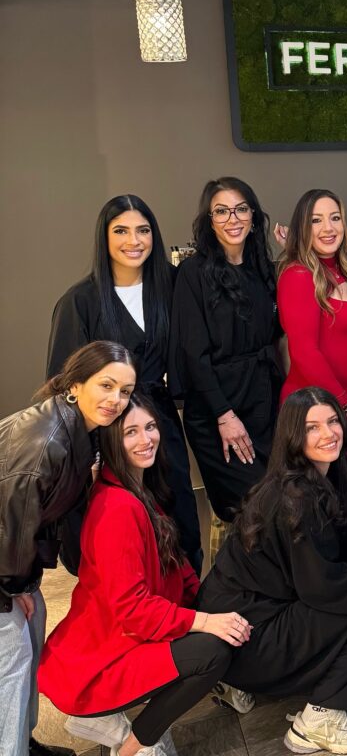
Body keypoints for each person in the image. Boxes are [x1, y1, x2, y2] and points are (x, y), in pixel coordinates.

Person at [198, 388, 347, 755]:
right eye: (312, 427)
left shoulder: (313, 480)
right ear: (293, 436)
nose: (328, 433)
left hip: (244, 623)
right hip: (244, 638)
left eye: (332, 421)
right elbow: (322, 587)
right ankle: (319, 719)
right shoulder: (296, 498)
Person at [39, 394, 248, 756]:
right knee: (211, 653)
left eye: (150, 427)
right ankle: (136, 746)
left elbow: (174, 562)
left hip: (119, 638)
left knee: (217, 628)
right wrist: (204, 620)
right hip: (100, 662)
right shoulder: (116, 508)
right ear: (110, 441)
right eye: (130, 432)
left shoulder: (137, 486)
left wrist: (208, 604)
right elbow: (132, 609)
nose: (146, 439)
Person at [47, 195, 202, 573]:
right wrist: (86, 453)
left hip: (159, 422)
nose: (133, 241)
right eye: (121, 231)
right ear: (104, 237)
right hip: (106, 431)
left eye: (143, 230)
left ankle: (184, 599)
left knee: (179, 520)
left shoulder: (171, 286)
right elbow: (62, 384)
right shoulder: (80, 301)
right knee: (118, 534)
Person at [0, 341, 137, 756]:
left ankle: (22, 743)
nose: (116, 400)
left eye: (125, 391)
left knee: (31, 633)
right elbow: (11, 527)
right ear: (75, 385)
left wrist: (25, 583)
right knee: (12, 660)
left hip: (9, 558)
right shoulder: (46, 443)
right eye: (106, 385)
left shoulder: (76, 429)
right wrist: (14, 587)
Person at [169, 177, 282, 521]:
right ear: (209, 220)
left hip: (263, 402)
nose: (233, 219)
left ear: (253, 216)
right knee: (254, 509)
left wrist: (296, 255)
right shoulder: (193, 273)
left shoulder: (263, 268)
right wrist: (224, 415)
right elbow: (193, 353)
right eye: (221, 211)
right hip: (217, 410)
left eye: (241, 209)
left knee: (282, 499)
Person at [278, 189, 347, 424]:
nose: (328, 228)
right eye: (315, 221)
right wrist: (345, 405)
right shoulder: (298, 275)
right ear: (302, 228)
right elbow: (304, 352)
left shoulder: (345, 271)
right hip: (316, 409)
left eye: (335, 218)